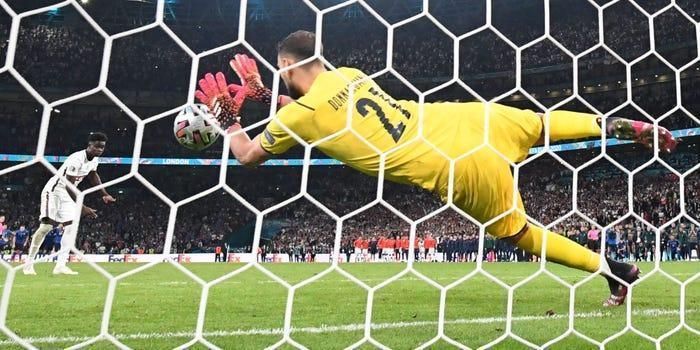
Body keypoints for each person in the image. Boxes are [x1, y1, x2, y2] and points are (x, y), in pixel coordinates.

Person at [195, 30, 678, 306]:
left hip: (452, 166)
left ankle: (612, 269)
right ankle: (612, 124)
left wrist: (231, 119)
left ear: (285, 65)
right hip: (461, 119)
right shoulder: (350, 75)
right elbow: (318, 110)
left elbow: (249, 155)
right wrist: (267, 95)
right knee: (537, 123)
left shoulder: (300, 114)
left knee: (520, 234)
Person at [23, 132, 116, 275]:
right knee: (46, 227)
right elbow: (68, 185)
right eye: (96, 147)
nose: (99, 150)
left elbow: (92, 175)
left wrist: (104, 194)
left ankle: (60, 266)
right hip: (54, 191)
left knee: (71, 227)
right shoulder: (76, 158)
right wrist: (83, 208)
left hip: (67, 194)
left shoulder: (94, 160)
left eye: (102, 147)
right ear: (89, 145)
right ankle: (28, 265)